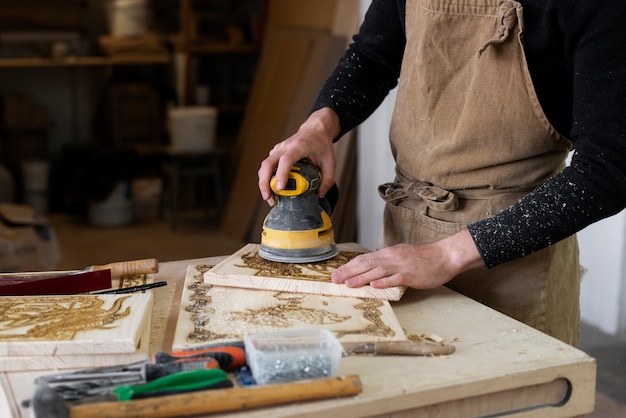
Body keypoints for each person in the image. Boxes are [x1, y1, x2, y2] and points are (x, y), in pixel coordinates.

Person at [257, 0, 626, 346]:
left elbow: (609, 167)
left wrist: (446, 256)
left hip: (515, 257)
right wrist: (319, 126)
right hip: (406, 238)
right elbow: (372, 57)